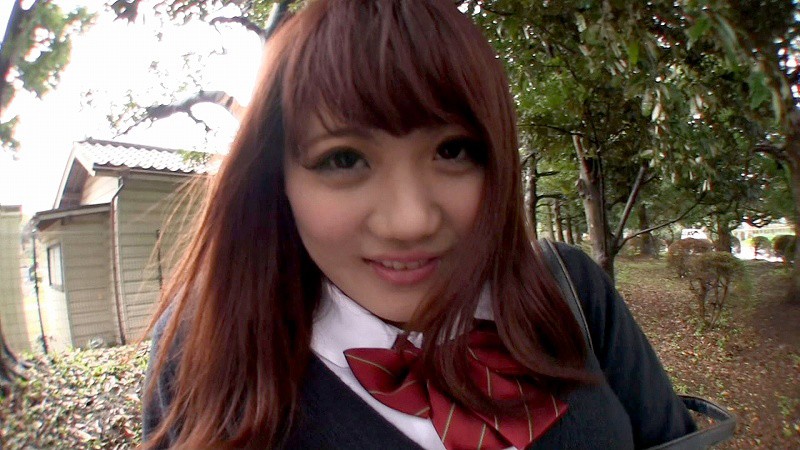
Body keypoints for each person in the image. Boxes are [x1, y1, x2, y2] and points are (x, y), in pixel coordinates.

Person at [142, 0, 696, 448]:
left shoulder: (571, 290)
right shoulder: (205, 345)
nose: (410, 221)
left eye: (453, 150)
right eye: (343, 159)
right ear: (276, 178)